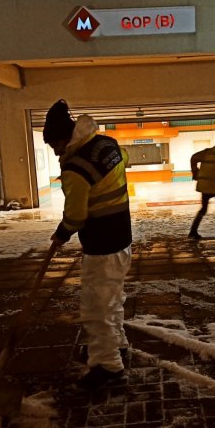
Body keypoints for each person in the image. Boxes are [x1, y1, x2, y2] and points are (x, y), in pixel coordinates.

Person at [43, 99, 132, 390]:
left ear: (66, 137)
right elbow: (125, 158)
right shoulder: (108, 145)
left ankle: (108, 367)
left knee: (96, 309)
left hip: (102, 243)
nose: (56, 151)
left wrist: (62, 233)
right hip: (122, 240)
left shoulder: (75, 168)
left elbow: (77, 215)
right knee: (112, 299)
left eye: (55, 144)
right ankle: (115, 347)